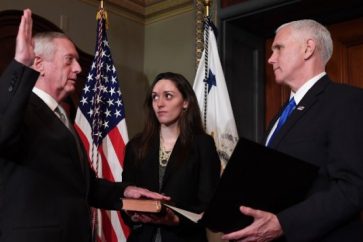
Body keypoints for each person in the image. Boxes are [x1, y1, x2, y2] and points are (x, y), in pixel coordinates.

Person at [0, 9, 168, 242]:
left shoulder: (62, 117)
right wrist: (20, 65)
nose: (79, 69)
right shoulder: (21, 109)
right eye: (69, 60)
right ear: (39, 64)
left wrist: (125, 192)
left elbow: (82, 186)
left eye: (78, 61)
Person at [222, 19, 363, 242]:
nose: (270, 59)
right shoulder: (279, 117)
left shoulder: (347, 101)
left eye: (278, 48)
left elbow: (353, 188)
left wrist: (283, 224)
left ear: (308, 49)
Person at [121, 72, 221, 242]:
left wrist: (176, 220)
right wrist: (132, 216)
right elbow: (126, 195)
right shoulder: (136, 146)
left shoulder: (203, 144)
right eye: (155, 97)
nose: (159, 103)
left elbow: (209, 205)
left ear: (185, 102)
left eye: (168, 96)